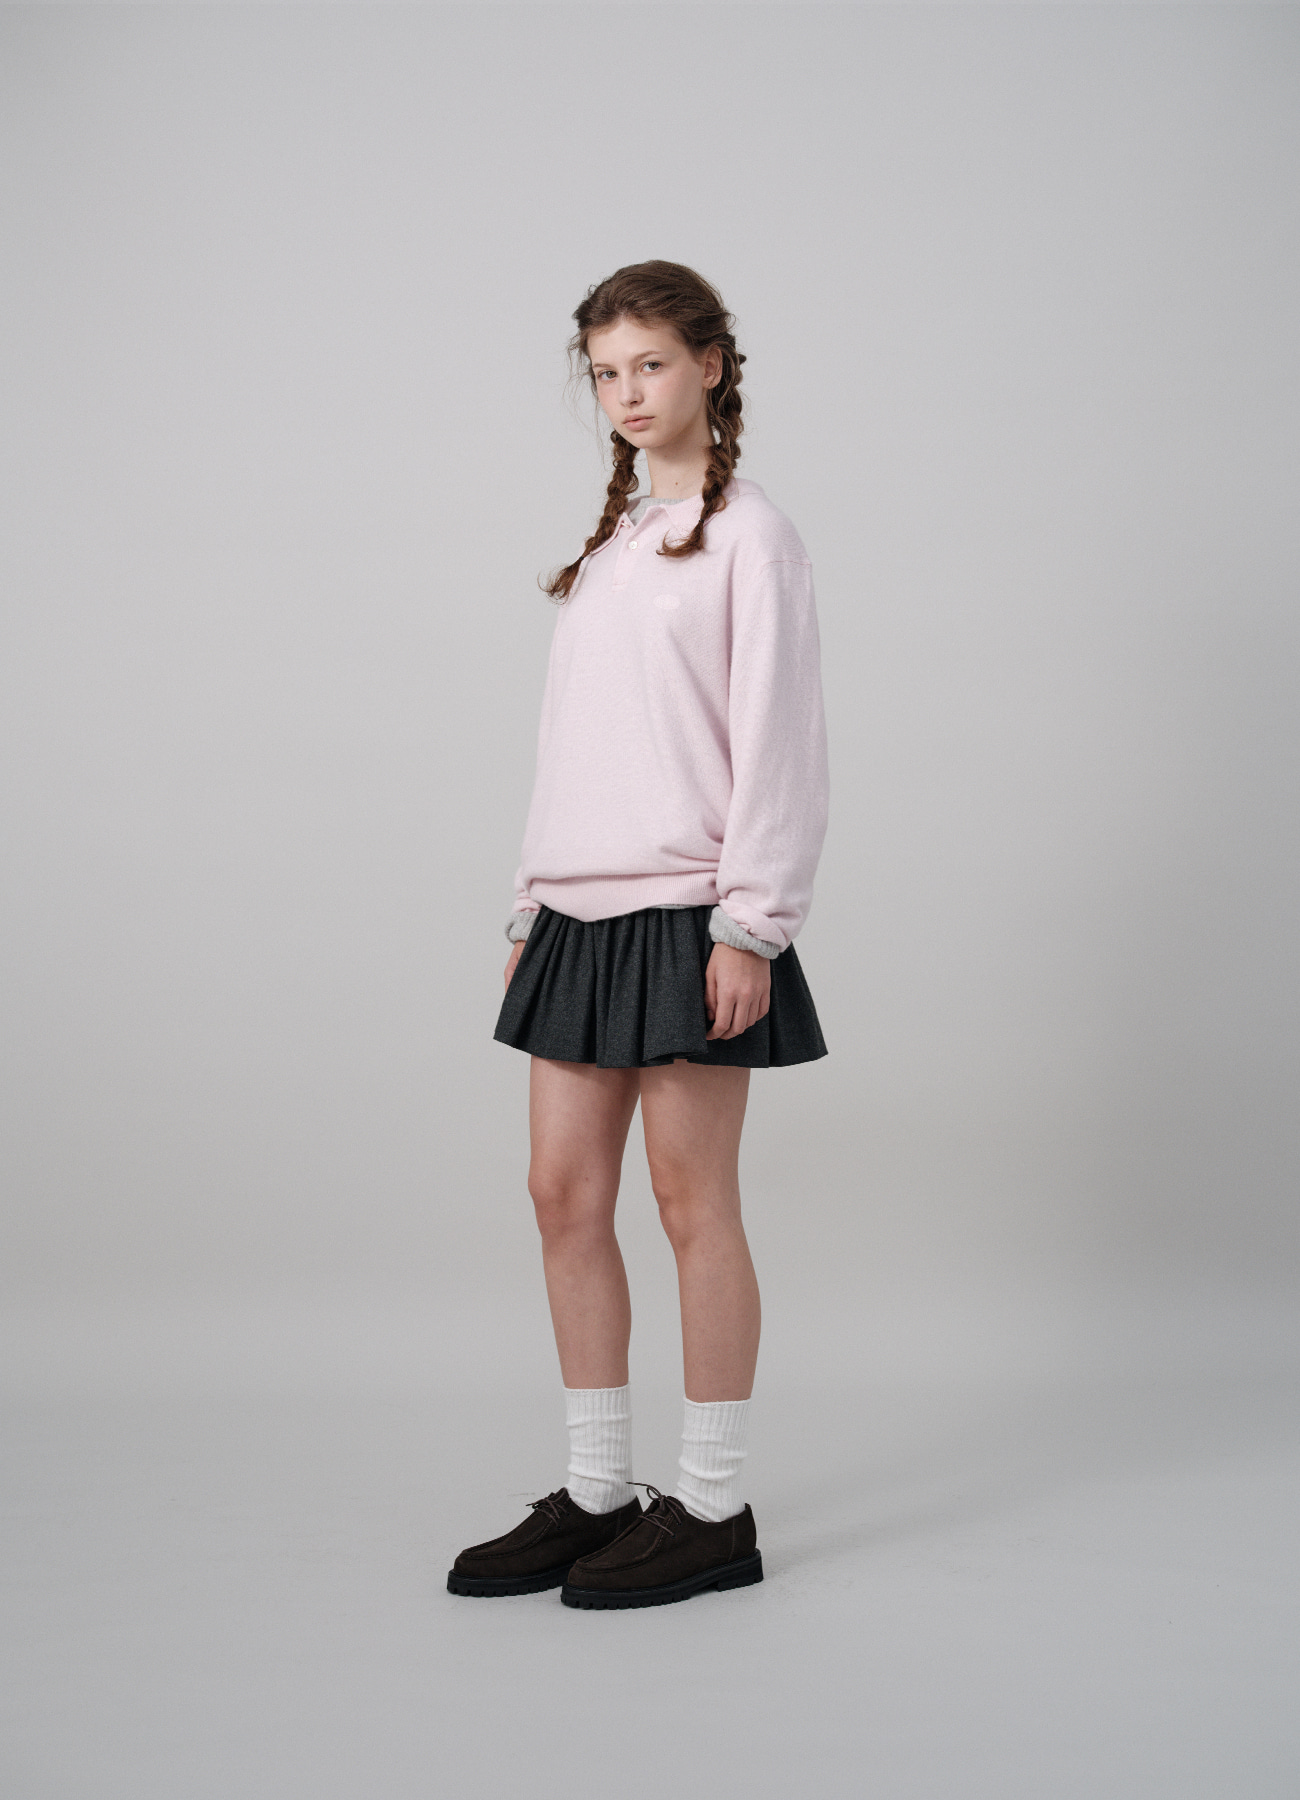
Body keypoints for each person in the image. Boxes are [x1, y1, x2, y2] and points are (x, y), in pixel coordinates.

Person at [447, 260, 830, 1610]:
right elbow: (577, 744)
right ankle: (599, 1490)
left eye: (650, 365)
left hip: (690, 912)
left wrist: (751, 926)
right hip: (577, 911)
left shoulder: (753, 538)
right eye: (606, 372)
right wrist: (530, 901)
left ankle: (712, 1508)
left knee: (687, 1202)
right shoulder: (613, 547)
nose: (626, 392)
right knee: (561, 1196)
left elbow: (780, 743)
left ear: (710, 366)